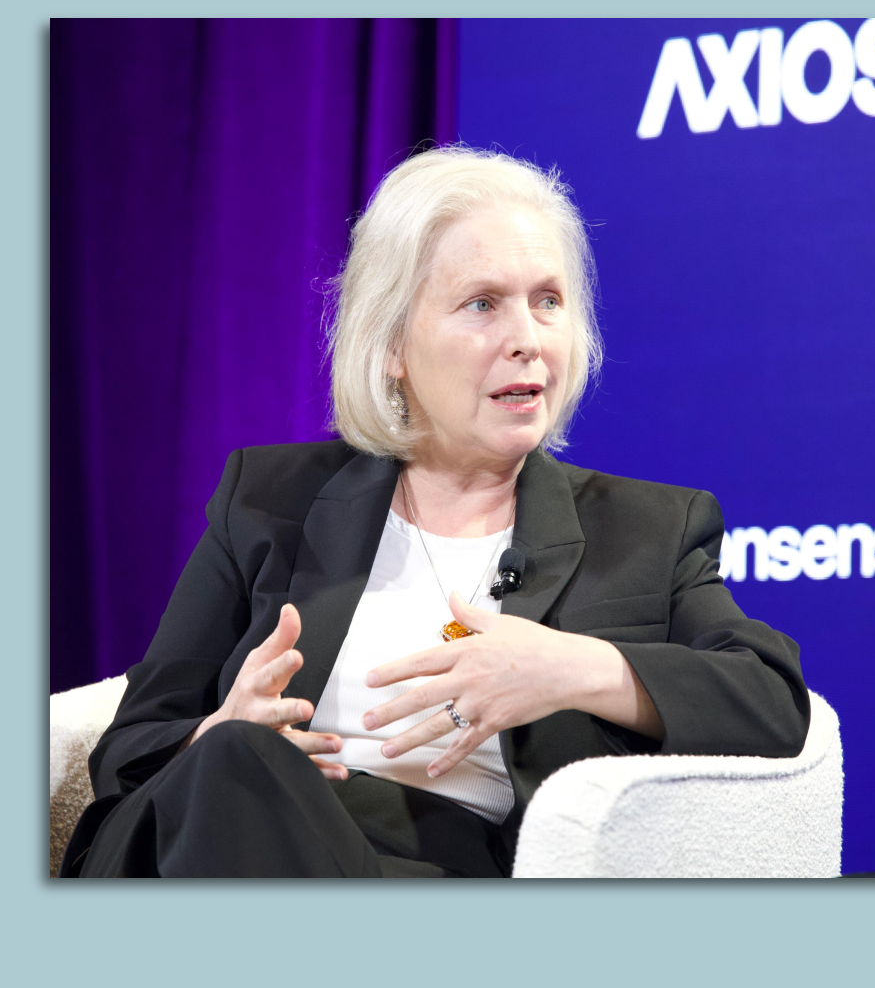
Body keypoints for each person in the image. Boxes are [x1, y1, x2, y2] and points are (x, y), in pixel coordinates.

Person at [62, 147, 808, 877]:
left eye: (548, 301)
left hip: (428, 876)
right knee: (236, 764)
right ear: (392, 344)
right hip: (216, 830)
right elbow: (130, 746)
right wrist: (218, 731)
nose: (527, 340)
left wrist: (569, 669)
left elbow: (772, 702)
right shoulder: (268, 499)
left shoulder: (646, 529)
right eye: (482, 304)